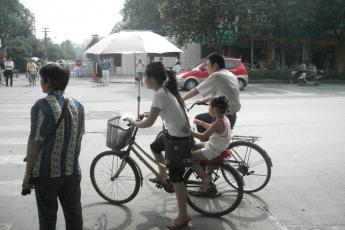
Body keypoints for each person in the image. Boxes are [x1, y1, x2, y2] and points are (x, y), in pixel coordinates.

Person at [125, 62, 191, 229]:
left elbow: (148, 123)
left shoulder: (160, 94)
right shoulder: (165, 90)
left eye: (145, 76)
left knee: (178, 179)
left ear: (152, 78)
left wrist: (134, 123)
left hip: (178, 139)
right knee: (155, 146)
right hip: (174, 134)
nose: (143, 79)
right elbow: (160, 111)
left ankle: (183, 215)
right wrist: (149, 114)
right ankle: (163, 174)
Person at [22, 62, 85, 230]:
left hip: (47, 175)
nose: (40, 81)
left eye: (41, 79)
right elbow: (79, 136)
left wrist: (27, 177)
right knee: (74, 215)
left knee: (47, 218)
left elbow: (34, 142)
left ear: (48, 82)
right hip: (72, 172)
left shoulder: (41, 106)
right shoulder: (78, 105)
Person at [182, 52, 241, 131]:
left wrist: (181, 100)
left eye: (208, 65)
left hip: (222, 116)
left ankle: (207, 142)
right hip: (232, 115)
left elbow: (196, 90)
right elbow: (223, 95)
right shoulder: (230, 75)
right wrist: (204, 100)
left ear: (215, 65)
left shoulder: (217, 75)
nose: (206, 68)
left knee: (199, 118)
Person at [187, 96, 231, 192]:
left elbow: (202, 136)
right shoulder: (224, 118)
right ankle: (201, 168)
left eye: (209, 106)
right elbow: (213, 128)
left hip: (213, 149)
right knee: (193, 147)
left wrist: (189, 131)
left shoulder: (218, 123)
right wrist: (200, 122)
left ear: (214, 109)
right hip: (217, 145)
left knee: (189, 158)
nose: (208, 108)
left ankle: (205, 178)